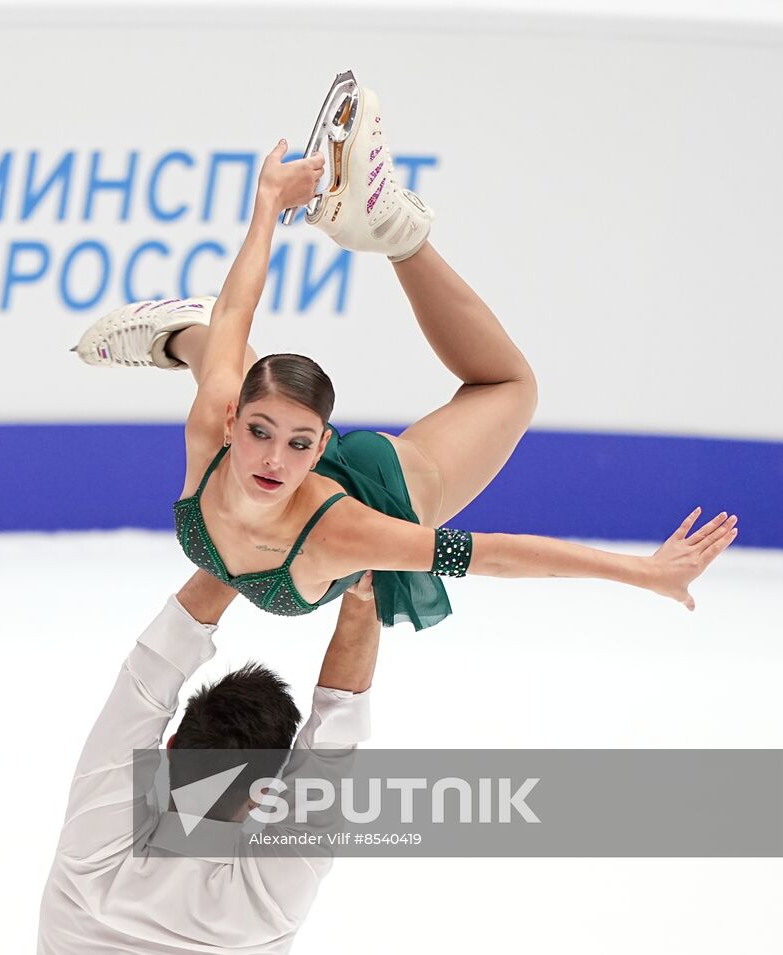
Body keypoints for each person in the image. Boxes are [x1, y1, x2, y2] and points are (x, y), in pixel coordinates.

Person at [74, 83, 737, 629]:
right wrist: (267, 202)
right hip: (269, 422)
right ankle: (367, 245)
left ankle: (386, 234)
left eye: (301, 444)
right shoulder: (209, 431)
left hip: (378, 482)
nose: (275, 460)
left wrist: (642, 572)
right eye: (257, 432)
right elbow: (238, 307)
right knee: (227, 344)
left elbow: (495, 556)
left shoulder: (348, 531)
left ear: (322, 442)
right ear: (229, 424)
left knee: (507, 388)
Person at [37, 569, 380, 953]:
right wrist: (363, 599)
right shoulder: (267, 903)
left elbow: (145, 682)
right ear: (264, 793)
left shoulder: (93, 855)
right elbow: (334, 734)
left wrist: (237, 554)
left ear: (171, 747)